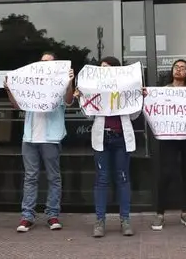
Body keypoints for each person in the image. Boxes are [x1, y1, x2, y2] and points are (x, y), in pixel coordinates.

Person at [4, 52, 75, 232]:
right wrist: (8, 89)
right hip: (30, 138)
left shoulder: (59, 82)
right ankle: (27, 216)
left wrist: (69, 82)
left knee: (53, 177)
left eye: (49, 63)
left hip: (50, 137)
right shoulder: (30, 81)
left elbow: (68, 100)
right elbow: (17, 105)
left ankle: (52, 214)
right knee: (30, 177)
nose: (45, 65)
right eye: (42, 62)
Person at [77, 56, 140, 238]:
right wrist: (82, 98)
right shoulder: (95, 87)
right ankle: (100, 221)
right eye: (101, 67)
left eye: (106, 67)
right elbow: (89, 115)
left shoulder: (125, 87)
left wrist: (137, 97)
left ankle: (125, 220)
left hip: (121, 138)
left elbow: (134, 115)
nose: (102, 70)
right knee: (102, 179)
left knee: (122, 178)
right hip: (102, 138)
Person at [150, 58, 186, 231]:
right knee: (166, 172)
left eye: (183, 68)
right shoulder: (162, 91)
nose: (179, 70)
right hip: (168, 137)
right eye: (176, 67)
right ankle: (160, 213)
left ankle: (185, 212)